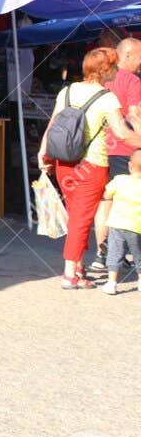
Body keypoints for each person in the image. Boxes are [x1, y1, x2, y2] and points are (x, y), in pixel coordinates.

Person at [39, 47, 140, 289]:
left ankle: (78, 267)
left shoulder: (67, 90)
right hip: (92, 165)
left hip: (65, 162)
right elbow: (123, 134)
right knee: (81, 219)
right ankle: (69, 274)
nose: (116, 70)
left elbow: (53, 125)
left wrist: (44, 154)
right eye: (113, 66)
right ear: (105, 70)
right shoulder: (107, 98)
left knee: (76, 213)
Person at [92, 37, 141, 280]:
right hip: (123, 149)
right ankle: (124, 253)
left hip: (97, 150)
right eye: (140, 57)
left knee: (104, 203)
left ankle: (102, 256)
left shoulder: (101, 77)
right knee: (127, 204)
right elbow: (134, 116)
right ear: (128, 55)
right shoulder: (131, 80)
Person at [100, 150, 141, 296]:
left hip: (116, 224)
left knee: (114, 253)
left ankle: (112, 282)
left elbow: (106, 195)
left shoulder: (119, 180)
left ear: (130, 165)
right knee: (138, 254)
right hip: (136, 227)